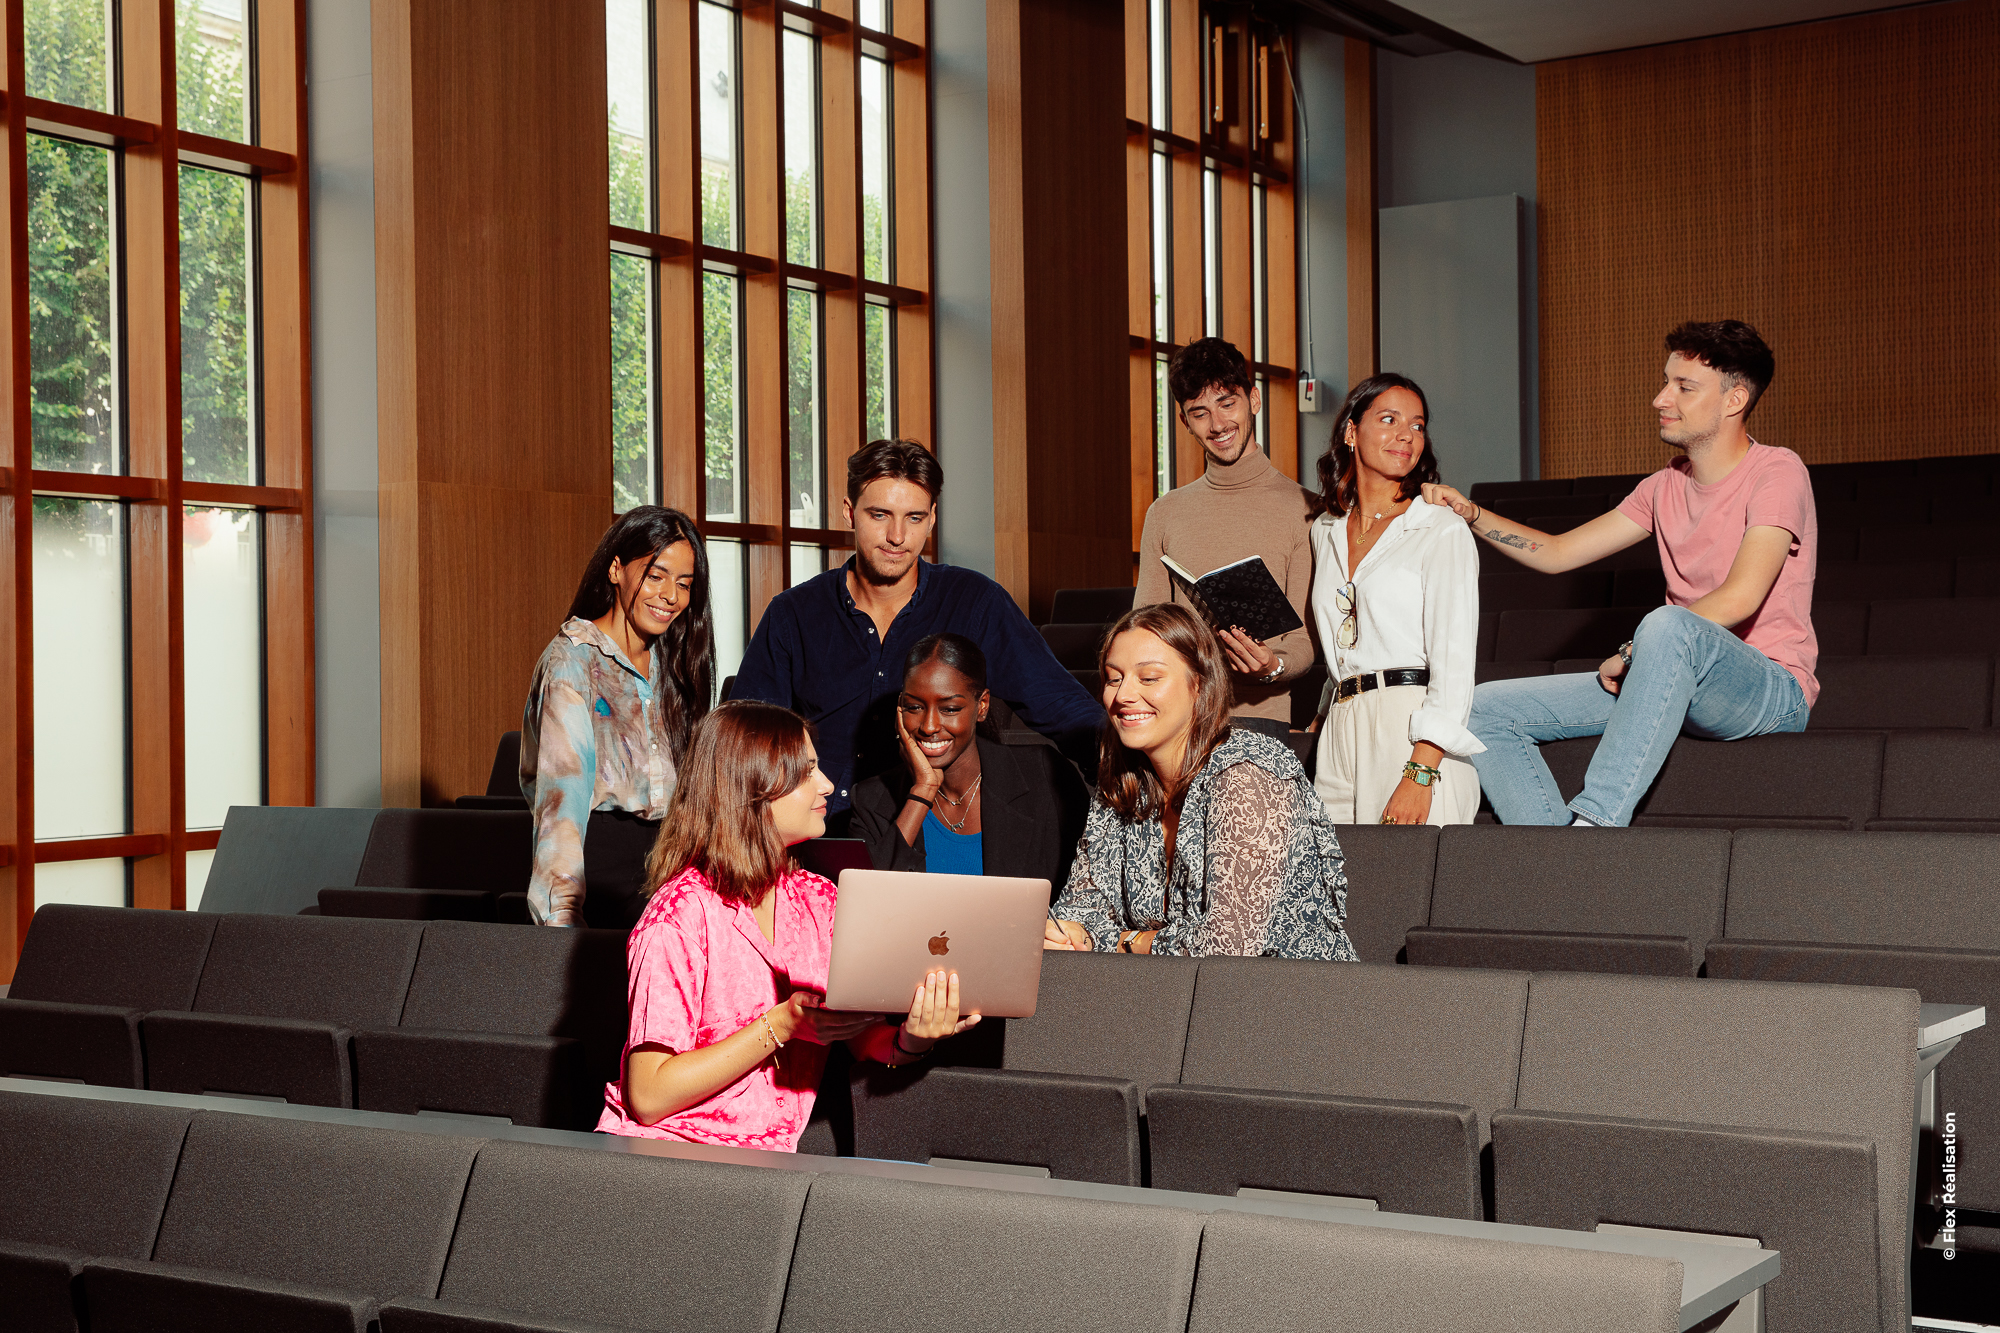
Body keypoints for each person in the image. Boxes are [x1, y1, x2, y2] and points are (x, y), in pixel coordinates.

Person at [1423, 320, 1815, 827]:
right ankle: (1549, 851)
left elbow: (1741, 597)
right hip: (1669, 668)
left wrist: (1634, 651)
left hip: (1768, 688)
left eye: (1684, 387)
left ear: (1734, 400)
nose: (1661, 398)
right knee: (1483, 710)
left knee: (1667, 624)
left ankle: (1596, 825)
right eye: (1666, 382)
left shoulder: (1777, 471)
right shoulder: (1663, 486)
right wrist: (1471, 513)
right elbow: (1558, 552)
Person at [598, 701, 980, 1149]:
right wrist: (780, 1025)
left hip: (769, 1162)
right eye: (805, 772)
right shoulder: (679, 915)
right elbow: (648, 1096)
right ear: (752, 789)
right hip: (668, 1154)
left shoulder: (820, 900)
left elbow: (861, 1039)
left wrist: (912, 1038)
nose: (827, 785)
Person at [732, 439, 1102, 827]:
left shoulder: (975, 602)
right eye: (880, 515)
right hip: (822, 830)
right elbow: (745, 740)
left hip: (935, 827)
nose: (897, 536)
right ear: (849, 512)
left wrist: (1131, 763)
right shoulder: (793, 614)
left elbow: (1059, 703)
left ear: (932, 518)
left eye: (914, 518)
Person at [1043, 604, 1357, 960]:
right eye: (1114, 678)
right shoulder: (1121, 779)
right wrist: (1070, 935)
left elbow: (1230, 947)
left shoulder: (1250, 773)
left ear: (1200, 684)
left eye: (1149, 678)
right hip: (1166, 987)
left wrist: (1125, 942)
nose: (1123, 695)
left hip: (1289, 987)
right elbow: (1079, 910)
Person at [522, 506, 714, 928]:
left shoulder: (676, 661)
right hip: (602, 870)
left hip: (672, 867)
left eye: (684, 584)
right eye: (656, 576)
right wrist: (562, 918)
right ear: (616, 569)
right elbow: (560, 805)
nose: (671, 596)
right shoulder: (573, 661)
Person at [1307, 374, 1482, 826]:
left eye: (1417, 425)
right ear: (1351, 431)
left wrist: (1421, 771)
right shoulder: (1325, 531)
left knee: (1410, 872)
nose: (1407, 435)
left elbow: (1455, 662)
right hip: (1340, 728)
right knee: (1334, 871)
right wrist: (1324, 714)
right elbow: (1348, 639)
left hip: (1410, 731)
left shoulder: (1440, 528)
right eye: (1389, 419)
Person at [1133, 338, 1316, 738]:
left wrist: (1272, 666)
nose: (1216, 425)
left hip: (1259, 716)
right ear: (1184, 421)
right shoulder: (1164, 512)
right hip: (1178, 716)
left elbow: (1303, 641)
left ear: (1254, 400)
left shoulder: (1306, 510)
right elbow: (1146, 629)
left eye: (1227, 404)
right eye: (1199, 413)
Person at [850, 633, 1089, 883]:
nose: (929, 726)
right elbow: (868, 897)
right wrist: (922, 792)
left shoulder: (1045, 776)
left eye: (950, 709)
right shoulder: (870, 800)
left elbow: (1092, 885)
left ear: (982, 705)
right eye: (914, 707)